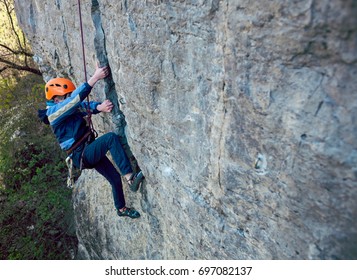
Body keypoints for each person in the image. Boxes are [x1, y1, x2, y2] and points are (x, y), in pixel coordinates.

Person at [39, 64, 144, 219]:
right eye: (66, 96)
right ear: (56, 99)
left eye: (68, 95)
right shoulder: (53, 114)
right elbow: (74, 101)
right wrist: (95, 77)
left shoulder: (66, 109)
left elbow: (81, 106)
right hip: (82, 154)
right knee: (110, 139)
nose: (69, 98)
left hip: (86, 150)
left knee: (114, 178)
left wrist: (99, 107)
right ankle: (131, 178)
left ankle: (121, 209)